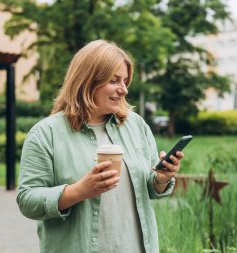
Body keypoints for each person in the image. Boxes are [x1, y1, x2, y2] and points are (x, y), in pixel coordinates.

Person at [17, 39, 185, 253]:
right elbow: (27, 200)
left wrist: (161, 179)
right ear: (87, 81)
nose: (123, 89)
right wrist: (79, 191)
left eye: (125, 81)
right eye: (114, 81)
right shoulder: (45, 134)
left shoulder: (136, 125)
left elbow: (150, 189)